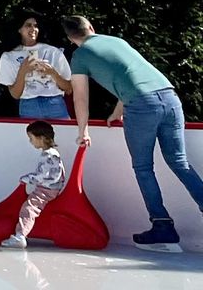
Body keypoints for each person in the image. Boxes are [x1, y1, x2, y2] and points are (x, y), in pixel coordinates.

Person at [64, 15, 203, 252]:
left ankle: (162, 227)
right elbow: (131, 73)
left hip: (141, 106)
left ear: (70, 38)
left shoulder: (80, 56)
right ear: (91, 28)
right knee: (179, 162)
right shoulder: (116, 41)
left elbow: (80, 95)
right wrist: (119, 110)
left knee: (143, 168)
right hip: (169, 97)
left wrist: (83, 130)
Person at [3, 120, 68, 249]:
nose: (30, 142)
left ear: (41, 138)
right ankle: (20, 234)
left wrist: (26, 178)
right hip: (48, 188)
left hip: (47, 190)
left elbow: (42, 176)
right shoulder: (50, 154)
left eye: (31, 138)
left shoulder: (49, 155)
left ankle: (20, 236)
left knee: (29, 208)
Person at [0, 12, 72, 120]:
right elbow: (15, 94)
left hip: (55, 103)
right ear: (19, 29)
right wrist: (23, 71)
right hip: (29, 105)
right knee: (34, 137)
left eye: (36, 26)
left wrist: (52, 73)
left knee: (63, 136)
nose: (33, 28)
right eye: (28, 25)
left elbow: (68, 88)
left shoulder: (53, 52)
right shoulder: (9, 56)